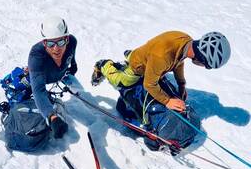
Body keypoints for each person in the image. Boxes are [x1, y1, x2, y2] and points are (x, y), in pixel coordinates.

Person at [91, 30, 231, 113]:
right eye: (206, 65)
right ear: (201, 58)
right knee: (124, 82)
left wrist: (181, 84)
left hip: (151, 57)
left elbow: (178, 62)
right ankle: (104, 65)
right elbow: (149, 84)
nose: (204, 67)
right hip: (139, 66)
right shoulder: (162, 57)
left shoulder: (186, 42)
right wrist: (167, 101)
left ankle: (131, 54)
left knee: (155, 69)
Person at [28, 16, 77, 139]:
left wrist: (74, 64)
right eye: (50, 43)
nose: (57, 49)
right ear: (44, 43)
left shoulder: (72, 42)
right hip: (44, 78)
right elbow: (38, 91)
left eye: (61, 42)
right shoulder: (36, 56)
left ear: (67, 39)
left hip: (61, 74)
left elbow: (72, 54)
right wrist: (52, 116)